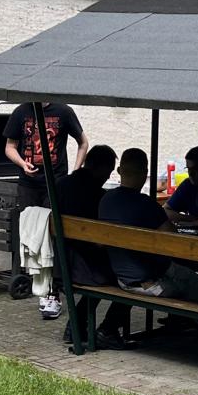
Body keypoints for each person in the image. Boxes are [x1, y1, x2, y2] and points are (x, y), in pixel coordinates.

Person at [99, 149, 198, 305]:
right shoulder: (146, 204)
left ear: (119, 171)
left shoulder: (106, 200)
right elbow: (174, 241)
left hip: (124, 279)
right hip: (153, 282)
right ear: (145, 173)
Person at [3, 102, 86, 319]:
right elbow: (10, 147)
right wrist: (23, 164)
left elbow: (83, 143)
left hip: (56, 184)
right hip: (28, 185)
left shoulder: (63, 111)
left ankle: (53, 292)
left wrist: (75, 173)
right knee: (33, 235)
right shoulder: (21, 112)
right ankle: (39, 284)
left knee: (52, 235)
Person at [54, 145, 132, 350]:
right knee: (133, 278)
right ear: (99, 168)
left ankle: (76, 324)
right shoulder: (96, 194)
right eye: (108, 171)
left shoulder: (61, 185)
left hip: (61, 263)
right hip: (84, 267)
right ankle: (109, 329)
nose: (108, 177)